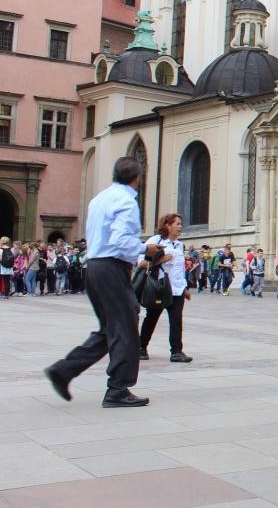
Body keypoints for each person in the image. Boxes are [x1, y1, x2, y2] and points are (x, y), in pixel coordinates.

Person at [45, 156, 162, 408]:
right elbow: (121, 240)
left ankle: (64, 370)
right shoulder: (127, 201)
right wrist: (146, 249)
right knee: (127, 327)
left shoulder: (100, 198)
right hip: (112, 267)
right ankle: (118, 389)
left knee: (111, 327)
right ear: (137, 178)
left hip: (95, 265)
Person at [139, 213, 193, 363]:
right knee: (152, 318)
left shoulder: (180, 245)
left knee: (176, 320)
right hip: (160, 287)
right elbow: (141, 264)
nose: (180, 227)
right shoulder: (156, 241)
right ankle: (141, 347)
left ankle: (176, 351)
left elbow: (179, 269)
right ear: (167, 225)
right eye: (178, 224)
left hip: (177, 289)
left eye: (181, 224)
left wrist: (185, 287)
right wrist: (160, 260)